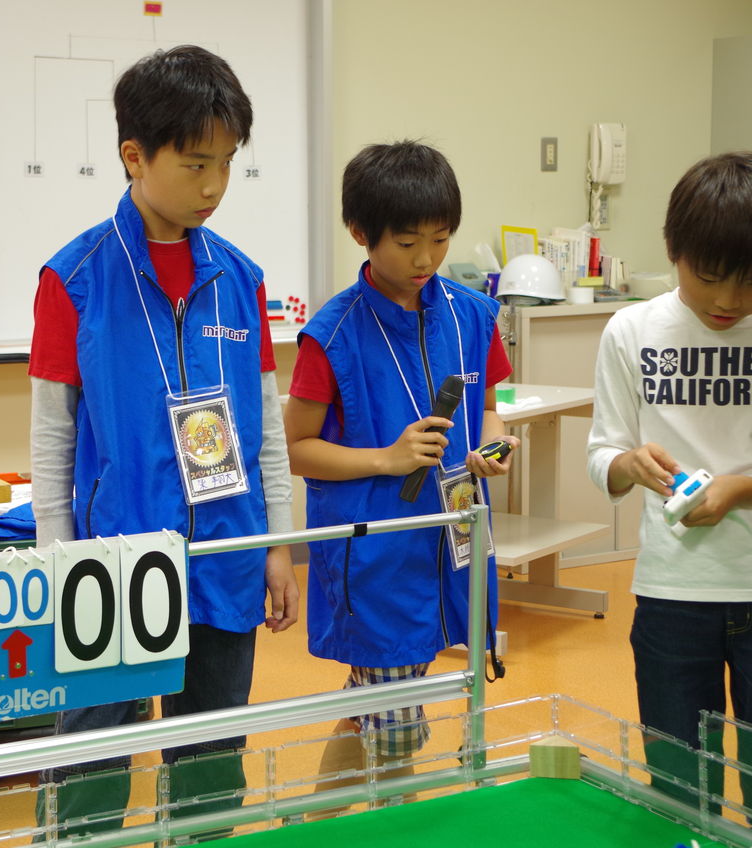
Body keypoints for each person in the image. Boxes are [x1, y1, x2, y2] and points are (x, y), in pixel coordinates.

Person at [27, 45, 299, 834]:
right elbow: (52, 439)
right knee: (90, 764)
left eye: (227, 164)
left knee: (211, 767)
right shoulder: (73, 279)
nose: (213, 186)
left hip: (225, 553)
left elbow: (266, 432)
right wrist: (57, 563)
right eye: (195, 164)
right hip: (110, 565)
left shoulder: (241, 279)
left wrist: (278, 545)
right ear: (134, 157)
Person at [586, 151, 752, 820]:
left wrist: (744, 490)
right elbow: (602, 453)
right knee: (677, 797)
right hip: (672, 596)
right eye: (708, 277)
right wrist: (629, 465)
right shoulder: (632, 331)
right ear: (673, 250)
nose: (729, 300)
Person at [284, 141, 516, 807]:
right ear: (361, 232)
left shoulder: (473, 315)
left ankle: (323, 822)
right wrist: (385, 458)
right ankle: (386, 821)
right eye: (408, 242)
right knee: (395, 723)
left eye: (440, 240)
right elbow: (296, 448)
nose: (425, 260)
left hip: (454, 539)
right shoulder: (332, 335)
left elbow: (491, 409)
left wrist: (494, 447)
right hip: (377, 556)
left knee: (381, 705)